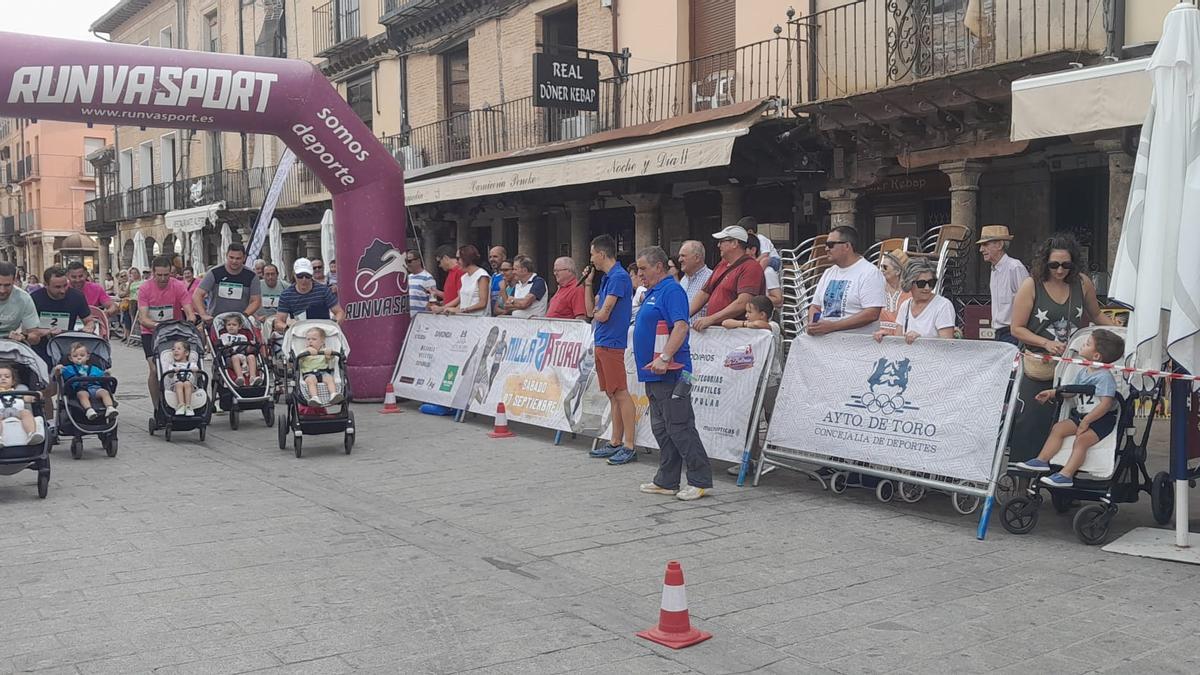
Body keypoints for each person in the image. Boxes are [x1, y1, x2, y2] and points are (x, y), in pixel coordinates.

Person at [1008, 233, 1117, 461]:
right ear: (1044, 263)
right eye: (1054, 265)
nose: (1060, 270)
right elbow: (1016, 328)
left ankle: (1060, 474)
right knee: (1031, 419)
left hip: (1072, 366)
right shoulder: (1031, 286)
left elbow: (1095, 313)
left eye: (1066, 265)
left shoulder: (1082, 282)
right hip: (1039, 364)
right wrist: (1046, 342)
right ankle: (1023, 473)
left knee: (1067, 420)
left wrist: (1121, 332)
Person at [633, 246, 712, 501]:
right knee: (662, 429)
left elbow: (681, 326)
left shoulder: (672, 291)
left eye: (643, 268)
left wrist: (665, 357)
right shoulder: (652, 292)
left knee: (681, 427)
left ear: (658, 267)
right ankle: (667, 480)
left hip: (673, 373)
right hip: (654, 375)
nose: (640, 274)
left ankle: (700, 481)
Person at [1015, 329, 1125, 488]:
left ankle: (1066, 474)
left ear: (1096, 356)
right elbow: (1071, 392)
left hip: (1100, 420)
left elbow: (1106, 404)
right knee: (1058, 428)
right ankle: (1042, 460)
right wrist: (1054, 393)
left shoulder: (1104, 377)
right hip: (1081, 414)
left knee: (1082, 441)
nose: (1082, 345)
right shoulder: (1083, 372)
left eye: (1087, 344)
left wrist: (1087, 421)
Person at [584, 234, 637, 464]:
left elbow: (603, 314)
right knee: (612, 393)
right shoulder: (607, 278)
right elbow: (591, 311)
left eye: (592, 253)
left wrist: (597, 313)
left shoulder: (618, 277)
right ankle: (615, 440)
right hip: (602, 340)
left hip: (612, 341)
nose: (591, 258)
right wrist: (587, 283)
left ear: (602, 253)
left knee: (621, 392)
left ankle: (629, 444)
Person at [722, 294, 782, 478]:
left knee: (771, 419)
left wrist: (740, 324)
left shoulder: (773, 326)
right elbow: (725, 323)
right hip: (754, 380)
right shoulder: (750, 327)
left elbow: (759, 326)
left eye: (750, 312)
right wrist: (740, 324)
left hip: (771, 381)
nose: (746, 316)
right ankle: (750, 459)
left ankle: (771, 457)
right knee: (751, 421)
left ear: (763, 314)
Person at [806, 226, 887, 336]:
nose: (826, 249)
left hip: (857, 346)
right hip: (827, 344)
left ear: (847, 246)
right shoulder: (828, 273)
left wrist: (833, 327)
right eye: (826, 245)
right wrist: (813, 324)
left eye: (831, 245)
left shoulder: (870, 273)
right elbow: (815, 306)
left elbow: (872, 313)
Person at [689, 224, 765, 330]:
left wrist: (711, 319)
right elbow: (704, 293)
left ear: (734, 243)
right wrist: (684, 316)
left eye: (722, 241)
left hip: (736, 334)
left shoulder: (751, 267)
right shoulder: (722, 264)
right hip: (716, 331)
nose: (718, 245)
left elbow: (743, 302)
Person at [873, 258, 955, 343]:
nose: (927, 288)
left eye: (931, 283)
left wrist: (921, 339)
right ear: (910, 283)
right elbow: (898, 341)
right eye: (921, 284)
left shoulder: (943, 305)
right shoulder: (905, 306)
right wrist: (886, 337)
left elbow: (947, 345)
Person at [30, 266, 94, 366]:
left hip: (67, 346)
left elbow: (89, 320)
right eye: (57, 287)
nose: (63, 291)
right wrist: (46, 331)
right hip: (41, 346)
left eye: (65, 285)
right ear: (46, 285)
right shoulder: (34, 298)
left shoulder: (77, 296)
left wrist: (88, 327)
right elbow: (28, 329)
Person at [978, 225, 1029, 345]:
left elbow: (1028, 299)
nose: (981, 249)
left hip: (1013, 332)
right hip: (999, 332)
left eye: (985, 244)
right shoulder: (994, 269)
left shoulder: (1014, 267)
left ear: (1000, 245)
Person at [194, 243, 262, 325]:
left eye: (238, 258)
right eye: (231, 257)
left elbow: (256, 301)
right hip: (216, 320)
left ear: (244, 258)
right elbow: (197, 295)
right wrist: (203, 314)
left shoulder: (251, 276)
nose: (234, 261)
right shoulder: (214, 272)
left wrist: (244, 315)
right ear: (226, 256)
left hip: (240, 322)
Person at [272, 258, 345, 332]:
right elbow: (279, 322)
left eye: (307, 276)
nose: (304, 279)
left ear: (312, 275)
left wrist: (333, 325)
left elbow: (340, 312)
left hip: (322, 332)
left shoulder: (323, 290)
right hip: (298, 333)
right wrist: (288, 327)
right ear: (294, 275)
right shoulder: (286, 295)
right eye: (300, 276)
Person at [59, 341, 117, 421]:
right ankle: (89, 410)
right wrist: (58, 369)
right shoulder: (69, 369)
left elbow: (103, 375)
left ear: (88, 357)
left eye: (82, 355)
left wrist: (106, 373)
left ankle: (109, 408)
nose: (79, 358)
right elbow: (59, 375)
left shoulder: (94, 368)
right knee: (82, 395)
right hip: (81, 389)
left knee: (105, 392)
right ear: (70, 358)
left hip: (95, 388)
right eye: (75, 356)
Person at [431, 245, 490, 316]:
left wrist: (461, 310)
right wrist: (449, 309)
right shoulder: (464, 277)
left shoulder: (481, 275)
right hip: (465, 319)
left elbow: (482, 303)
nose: (456, 261)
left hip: (479, 318)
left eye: (458, 258)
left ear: (466, 258)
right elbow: (462, 300)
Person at [299, 326, 344, 406]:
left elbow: (330, 358)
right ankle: (315, 398)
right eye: (308, 339)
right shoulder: (304, 352)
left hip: (323, 372)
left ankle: (333, 394)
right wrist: (306, 352)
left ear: (322, 342)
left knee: (329, 378)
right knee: (310, 380)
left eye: (314, 339)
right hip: (309, 373)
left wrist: (329, 352)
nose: (310, 341)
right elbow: (298, 361)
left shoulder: (324, 351)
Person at [0, 364, 43, 445]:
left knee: (26, 412)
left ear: (13, 381)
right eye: (0, 377)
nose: (3, 379)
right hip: (0, 413)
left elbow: (29, 398)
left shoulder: (19, 391)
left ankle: (31, 434)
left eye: (7, 376)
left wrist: (36, 395)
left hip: (17, 412)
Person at [0, 262, 41, 343]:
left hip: (10, 344)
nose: (2, 290)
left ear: (14, 280)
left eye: (7, 285)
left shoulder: (24, 298)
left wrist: (24, 336)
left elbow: (36, 337)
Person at [218, 313, 260, 385]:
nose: (231, 327)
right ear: (225, 326)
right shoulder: (223, 336)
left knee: (251, 356)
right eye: (229, 325)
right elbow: (222, 346)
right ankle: (240, 377)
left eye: (234, 325)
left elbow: (246, 348)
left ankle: (253, 377)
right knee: (235, 357)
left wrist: (251, 345)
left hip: (243, 356)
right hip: (231, 357)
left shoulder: (243, 336)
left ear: (239, 327)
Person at [677, 240, 712, 321]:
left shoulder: (710, 278)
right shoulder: (684, 280)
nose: (679, 260)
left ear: (697, 258)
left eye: (683, 256)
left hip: (703, 332)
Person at [878, 250, 911, 334]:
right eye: (881, 266)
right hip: (877, 337)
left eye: (885, 267)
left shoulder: (910, 294)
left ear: (898, 271)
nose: (881, 270)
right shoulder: (877, 290)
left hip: (901, 338)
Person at [746, 237, 783, 309]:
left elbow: (778, 300)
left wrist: (753, 298)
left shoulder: (768, 272)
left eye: (743, 249)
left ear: (753, 250)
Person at [165, 340, 200, 416]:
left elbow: (196, 369)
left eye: (178, 349)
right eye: (173, 349)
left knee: (187, 383)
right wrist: (173, 371)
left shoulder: (191, 364)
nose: (175, 351)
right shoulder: (173, 365)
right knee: (179, 384)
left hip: (190, 386)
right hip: (176, 386)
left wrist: (195, 369)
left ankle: (188, 406)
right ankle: (181, 405)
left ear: (186, 353)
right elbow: (169, 375)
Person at [433, 246, 464, 311]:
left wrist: (442, 308)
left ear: (445, 258)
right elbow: (451, 295)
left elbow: (461, 297)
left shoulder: (459, 271)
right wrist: (437, 292)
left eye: (439, 262)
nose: (439, 265)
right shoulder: (451, 272)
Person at [488, 246, 508, 314]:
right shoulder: (493, 276)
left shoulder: (507, 277)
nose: (492, 259)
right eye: (490, 257)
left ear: (504, 257)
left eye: (495, 256)